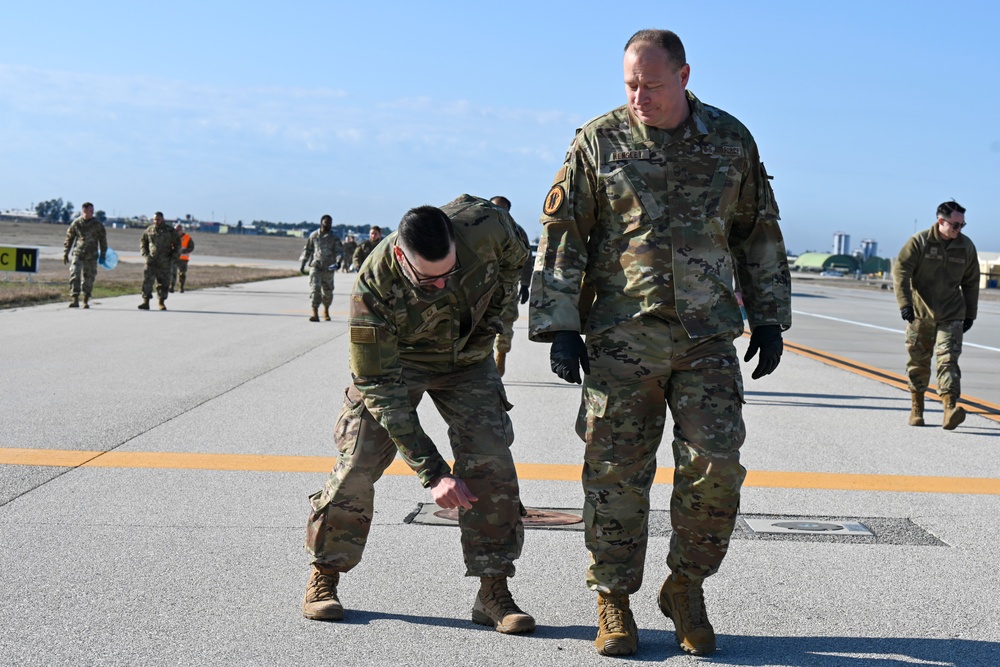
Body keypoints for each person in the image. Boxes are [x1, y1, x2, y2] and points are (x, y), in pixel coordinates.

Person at [528, 29, 791, 657]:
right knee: (616, 474)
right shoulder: (599, 141)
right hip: (623, 338)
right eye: (629, 84)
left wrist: (771, 316)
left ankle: (687, 587)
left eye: (650, 84)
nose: (638, 96)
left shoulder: (731, 140)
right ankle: (613, 599)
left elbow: (757, 230)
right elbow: (564, 234)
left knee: (717, 469)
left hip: (706, 338)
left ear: (683, 76)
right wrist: (561, 324)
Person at [301, 195, 533, 634]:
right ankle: (325, 575)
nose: (442, 285)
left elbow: (516, 261)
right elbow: (379, 388)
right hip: (398, 364)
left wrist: (496, 319)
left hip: (469, 361)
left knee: (492, 462)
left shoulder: (487, 223)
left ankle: (493, 590)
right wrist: (433, 473)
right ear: (400, 257)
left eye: (450, 273)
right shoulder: (373, 285)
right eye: (429, 281)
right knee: (358, 462)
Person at [892, 200, 979, 430]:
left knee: (948, 360)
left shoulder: (966, 247)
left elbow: (971, 282)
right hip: (920, 314)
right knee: (918, 362)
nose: (959, 229)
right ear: (941, 221)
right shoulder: (920, 242)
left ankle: (949, 409)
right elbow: (901, 270)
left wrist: (971, 314)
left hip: (952, 314)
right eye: (955, 225)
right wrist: (905, 304)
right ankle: (917, 408)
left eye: (962, 225)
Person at [489, 196, 533, 375]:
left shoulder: (518, 232)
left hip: (507, 287)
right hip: (482, 287)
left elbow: (527, 259)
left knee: (505, 324)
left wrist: (524, 284)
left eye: (502, 208)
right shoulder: (480, 230)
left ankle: (501, 356)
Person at [299, 215, 344, 322]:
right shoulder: (314, 235)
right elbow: (308, 249)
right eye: (326, 222)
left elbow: (339, 252)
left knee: (327, 291)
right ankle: (314, 313)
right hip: (316, 266)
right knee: (315, 289)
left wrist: (338, 262)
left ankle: (326, 310)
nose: (328, 224)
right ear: (321, 222)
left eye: (330, 223)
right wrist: (303, 263)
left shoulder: (334, 238)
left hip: (328, 267)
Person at [62, 202, 107, 309]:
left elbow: (103, 240)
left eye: (93, 211)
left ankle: (85, 300)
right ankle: (75, 299)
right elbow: (69, 238)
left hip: (91, 255)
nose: (92, 212)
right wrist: (66, 252)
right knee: (74, 274)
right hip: (78, 253)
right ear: (84, 211)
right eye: (90, 211)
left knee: (89, 278)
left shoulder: (97, 225)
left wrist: (103, 255)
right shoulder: (77, 223)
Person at [139, 212, 181, 311]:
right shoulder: (149, 230)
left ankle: (161, 302)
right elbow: (143, 241)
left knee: (163, 282)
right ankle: (146, 301)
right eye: (154, 219)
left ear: (162, 219)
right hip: (151, 260)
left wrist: (173, 257)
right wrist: (145, 253)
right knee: (148, 281)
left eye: (158, 219)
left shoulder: (170, 231)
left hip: (165, 261)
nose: (156, 221)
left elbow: (177, 244)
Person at [170, 223, 195, 293]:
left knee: (182, 274)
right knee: (172, 273)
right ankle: (171, 287)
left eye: (178, 230)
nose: (176, 232)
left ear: (181, 230)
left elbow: (191, 247)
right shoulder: (172, 237)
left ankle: (181, 287)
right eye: (175, 230)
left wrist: (184, 251)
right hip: (174, 258)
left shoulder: (187, 238)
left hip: (183, 259)